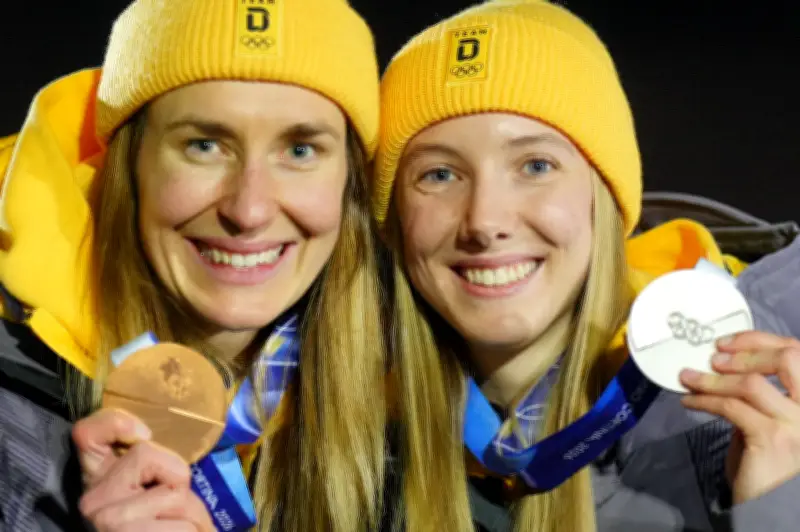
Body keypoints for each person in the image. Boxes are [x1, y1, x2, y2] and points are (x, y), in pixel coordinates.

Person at [372, 0, 800, 530]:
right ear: (393, 218)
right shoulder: (343, 443)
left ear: (606, 197)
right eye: (439, 174)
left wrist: (776, 509)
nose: (484, 220)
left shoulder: (771, 400)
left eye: (535, 165)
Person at [0, 0, 390, 530]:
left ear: (350, 184)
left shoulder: (407, 415)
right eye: (204, 145)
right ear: (128, 165)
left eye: (300, 150)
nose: (249, 211)